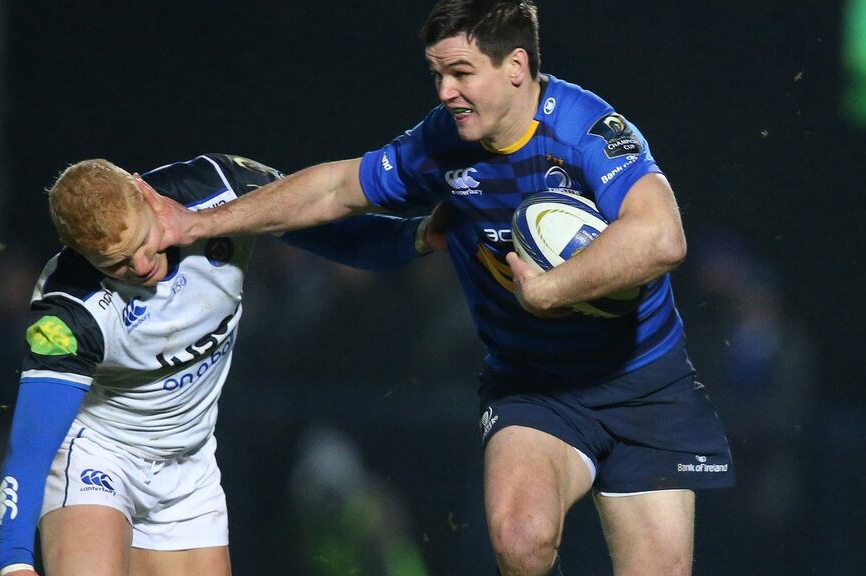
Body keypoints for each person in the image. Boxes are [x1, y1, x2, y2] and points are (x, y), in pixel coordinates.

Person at [147, 1, 735, 575]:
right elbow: (334, 190)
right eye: (437, 74)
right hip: (534, 385)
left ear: (516, 67)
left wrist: (550, 290)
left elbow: (662, 238)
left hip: (645, 383)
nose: (445, 92)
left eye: (460, 73)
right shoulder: (442, 141)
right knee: (521, 541)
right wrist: (197, 223)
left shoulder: (589, 131)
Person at [0, 153, 435, 576]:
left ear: (144, 192)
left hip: (188, 465)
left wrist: (416, 237)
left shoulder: (217, 187)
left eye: (142, 241)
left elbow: (324, 213)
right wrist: (14, 559)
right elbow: (32, 444)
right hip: (101, 454)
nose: (143, 265)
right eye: (118, 263)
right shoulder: (68, 312)